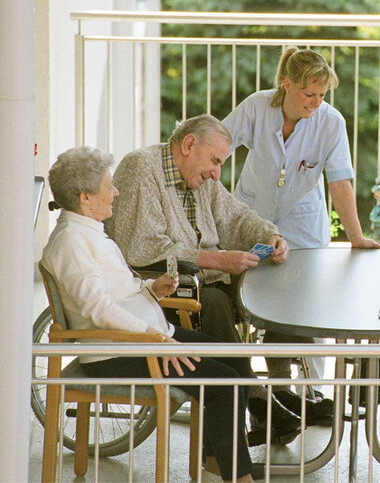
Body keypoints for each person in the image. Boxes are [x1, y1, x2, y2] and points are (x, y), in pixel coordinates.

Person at [41, 146, 296, 482]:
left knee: (234, 359)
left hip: (144, 337)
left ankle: (217, 464)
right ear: (86, 198)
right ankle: (238, 476)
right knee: (223, 383)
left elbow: (114, 294)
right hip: (116, 350)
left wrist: (152, 290)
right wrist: (158, 339)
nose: (116, 191)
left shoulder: (87, 232)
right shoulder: (71, 242)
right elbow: (96, 308)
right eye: (109, 186)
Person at [104, 115, 319, 438]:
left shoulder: (200, 178)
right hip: (157, 288)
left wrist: (271, 237)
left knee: (280, 286)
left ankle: (282, 388)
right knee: (215, 302)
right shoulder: (142, 168)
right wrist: (216, 259)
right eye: (215, 161)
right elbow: (141, 246)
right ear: (189, 144)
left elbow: (235, 216)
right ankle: (257, 397)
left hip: (203, 279)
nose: (217, 173)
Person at [221, 46, 379, 402]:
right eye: (309, 94)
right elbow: (218, 146)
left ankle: (310, 392)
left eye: (322, 95)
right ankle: (271, 385)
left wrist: (356, 237)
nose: (316, 103)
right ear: (286, 84)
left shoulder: (331, 122)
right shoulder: (257, 107)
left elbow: (339, 182)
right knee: (257, 300)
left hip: (302, 227)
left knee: (302, 305)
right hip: (253, 217)